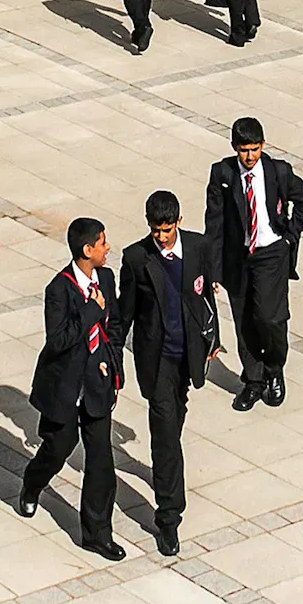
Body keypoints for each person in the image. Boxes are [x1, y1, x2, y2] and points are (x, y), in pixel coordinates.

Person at [15, 216, 125, 559]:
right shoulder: (58, 289)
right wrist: (91, 311)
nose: (108, 248)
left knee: (101, 460)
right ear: (87, 249)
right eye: (102, 242)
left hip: (97, 384)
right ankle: (32, 484)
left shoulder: (106, 278)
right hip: (65, 387)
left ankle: (97, 534)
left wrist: (113, 364)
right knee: (58, 448)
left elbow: (115, 326)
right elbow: (59, 340)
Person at [117, 189, 217, 556]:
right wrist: (111, 357)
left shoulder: (199, 247)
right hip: (156, 361)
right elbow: (124, 315)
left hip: (187, 357)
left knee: (174, 421)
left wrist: (213, 339)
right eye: (155, 230)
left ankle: (166, 472)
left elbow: (205, 298)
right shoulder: (136, 258)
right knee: (164, 435)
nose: (161, 236)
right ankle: (169, 517)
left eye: (167, 229)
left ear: (179, 222)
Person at [204, 118, 303, 411]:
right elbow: (214, 224)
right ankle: (253, 380)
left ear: (263, 145)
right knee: (244, 321)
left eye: (254, 149)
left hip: (271, 253)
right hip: (237, 258)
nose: (249, 156)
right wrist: (213, 268)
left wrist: (289, 237)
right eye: (244, 150)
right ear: (234, 147)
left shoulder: (278, 172)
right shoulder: (222, 174)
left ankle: (274, 369)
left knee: (269, 317)